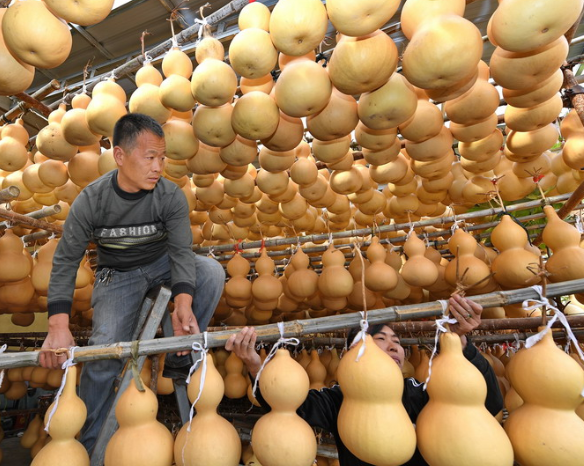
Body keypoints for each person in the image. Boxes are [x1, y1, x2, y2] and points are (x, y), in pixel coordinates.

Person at [40, 113, 225, 452]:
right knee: (103, 353)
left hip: (162, 263)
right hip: (118, 275)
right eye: (150, 157)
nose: (158, 167)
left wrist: (183, 306)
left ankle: (180, 357)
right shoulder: (91, 200)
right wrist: (58, 326)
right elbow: (65, 261)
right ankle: (89, 442)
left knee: (211, 272)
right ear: (120, 156)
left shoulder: (170, 195)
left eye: (162, 158)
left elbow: (181, 253)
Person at [225, 294, 503, 466]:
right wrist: (255, 365)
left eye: (397, 342)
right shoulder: (338, 399)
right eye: (380, 340)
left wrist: (460, 344)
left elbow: (489, 404)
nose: (393, 346)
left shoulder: (420, 391)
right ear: (351, 355)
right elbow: (290, 405)